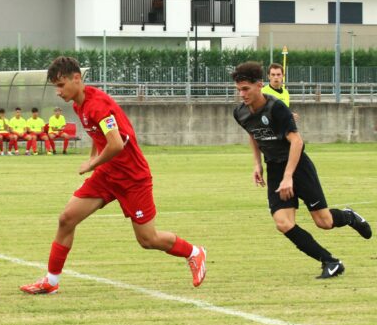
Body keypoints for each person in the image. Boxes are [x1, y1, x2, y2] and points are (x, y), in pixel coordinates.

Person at [20, 56, 207, 295]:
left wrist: (92, 164)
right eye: (55, 86)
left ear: (76, 78)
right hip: (108, 174)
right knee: (67, 218)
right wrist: (94, 160)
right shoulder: (80, 103)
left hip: (132, 178)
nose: (58, 91)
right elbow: (99, 138)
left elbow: (116, 144)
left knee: (147, 240)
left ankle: (194, 252)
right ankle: (51, 281)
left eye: (60, 84)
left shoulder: (98, 105)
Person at [231, 61, 371, 279]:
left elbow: (297, 142)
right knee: (283, 223)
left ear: (259, 85)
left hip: (297, 167)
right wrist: (257, 163)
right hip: (275, 169)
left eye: (246, 89)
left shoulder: (276, 107)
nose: (242, 94)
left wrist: (289, 177)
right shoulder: (239, 112)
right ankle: (331, 262)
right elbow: (252, 133)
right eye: (238, 90)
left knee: (323, 222)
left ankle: (349, 216)